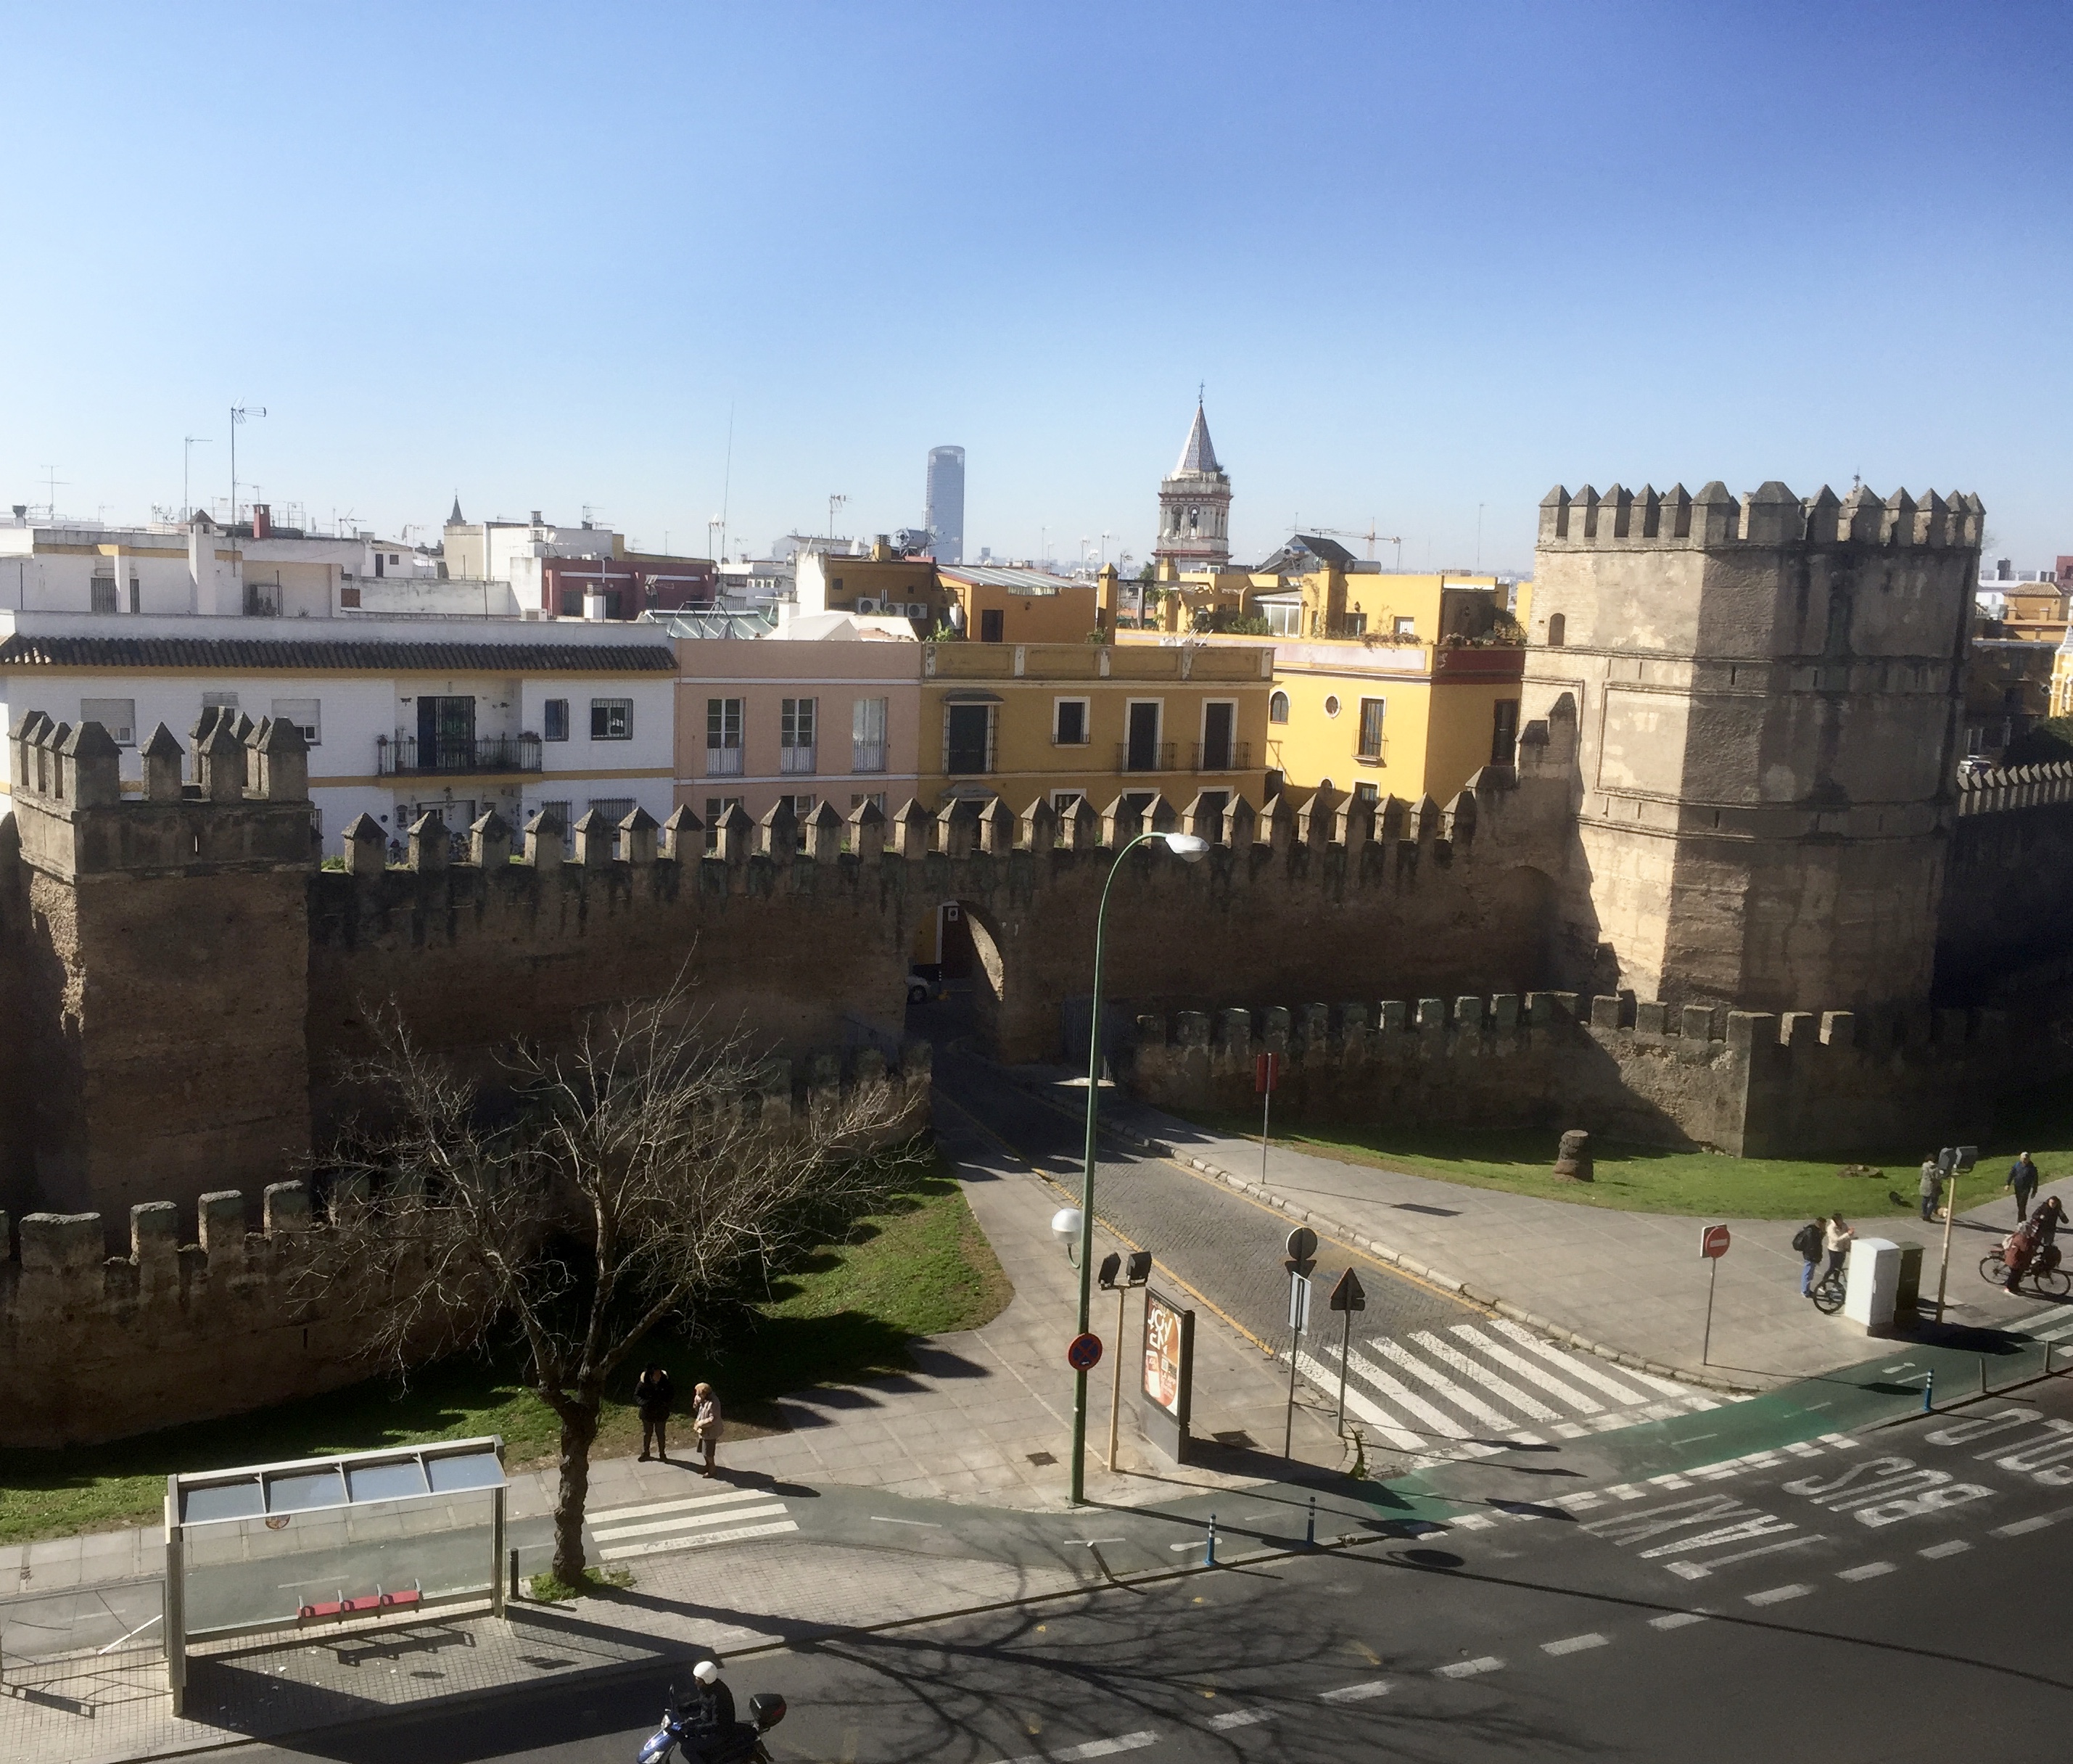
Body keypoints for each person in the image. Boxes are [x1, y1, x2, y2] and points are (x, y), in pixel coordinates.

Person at [636, 1363, 674, 1463]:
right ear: (651, 1375)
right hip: (647, 1413)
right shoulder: (643, 1383)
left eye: (659, 1374)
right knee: (647, 1433)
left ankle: (662, 1453)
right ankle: (646, 1452)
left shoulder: (665, 1382)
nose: (658, 1376)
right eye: (656, 1374)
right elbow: (637, 1396)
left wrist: (665, 1404)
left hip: (661, 1413)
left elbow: (671, 1395)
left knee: (661, 1434)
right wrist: (645, 1404)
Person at [693, 1381, 723, 1477]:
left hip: (710, 1432)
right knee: (704, 1451)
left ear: (705, 1393)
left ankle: (712, 1470)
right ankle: (707, 1466)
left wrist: (700, 1423)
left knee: (708, 1453)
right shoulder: (703, 1399)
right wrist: (696, 1403)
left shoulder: (714, 1403)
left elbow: (713, 1419)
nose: (697, 1395)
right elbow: (698, 1410)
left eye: (699, 1393)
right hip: (704, 1431)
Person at [1792, 1217, 1824, 1297]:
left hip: (1810, 1255)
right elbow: (1813, 1246)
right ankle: (1805, 1291)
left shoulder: (1813, 1231)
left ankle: (1806, 1290)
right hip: (1810, 1256)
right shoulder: (1813, 1233)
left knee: (1809, 1273)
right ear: (1820, 1224)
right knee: (1808, 1274)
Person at [1822, 1215, 1855, 1292]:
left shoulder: (1844, 1225)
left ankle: (1836, 1284)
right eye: (1840, 1220)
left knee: (1839, 1268)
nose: (1842, 1221)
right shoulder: (1831, 1228)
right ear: (1836, 1221)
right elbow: (1836, 1240)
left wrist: (1847, 1245)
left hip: (1842, 1250)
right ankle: (1823, 1283)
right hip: (1834, 1250)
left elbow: (1847, 1238)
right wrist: (1848, 1234)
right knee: (1832, 1268)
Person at [2008, 1153, 2041, 1223]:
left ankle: (2020, 1221)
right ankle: (2023, 1218)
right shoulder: (2017, 1165)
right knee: (2019, 1204)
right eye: (2022, 1158)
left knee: (2022, 1204)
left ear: (2028, 1159)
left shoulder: (2032, 1168)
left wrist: (2034, 1191)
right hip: (2017, 1187)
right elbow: (2012, 1173)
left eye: (2025, 1159)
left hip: (2026, 1188)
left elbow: (2035, 1180)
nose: (2024, 1160)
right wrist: (2008, 1184)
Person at [1919, 1155, 1942, 1223]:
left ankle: (1924, 1213)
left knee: (1925, 1200)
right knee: (1934, 1201)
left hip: (1924, 1184)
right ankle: (1928, 1215)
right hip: (1933, 1186)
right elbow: (1938, 1177)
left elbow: (1921, 1175)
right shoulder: (1936, 1168)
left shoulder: (1924, 1166)